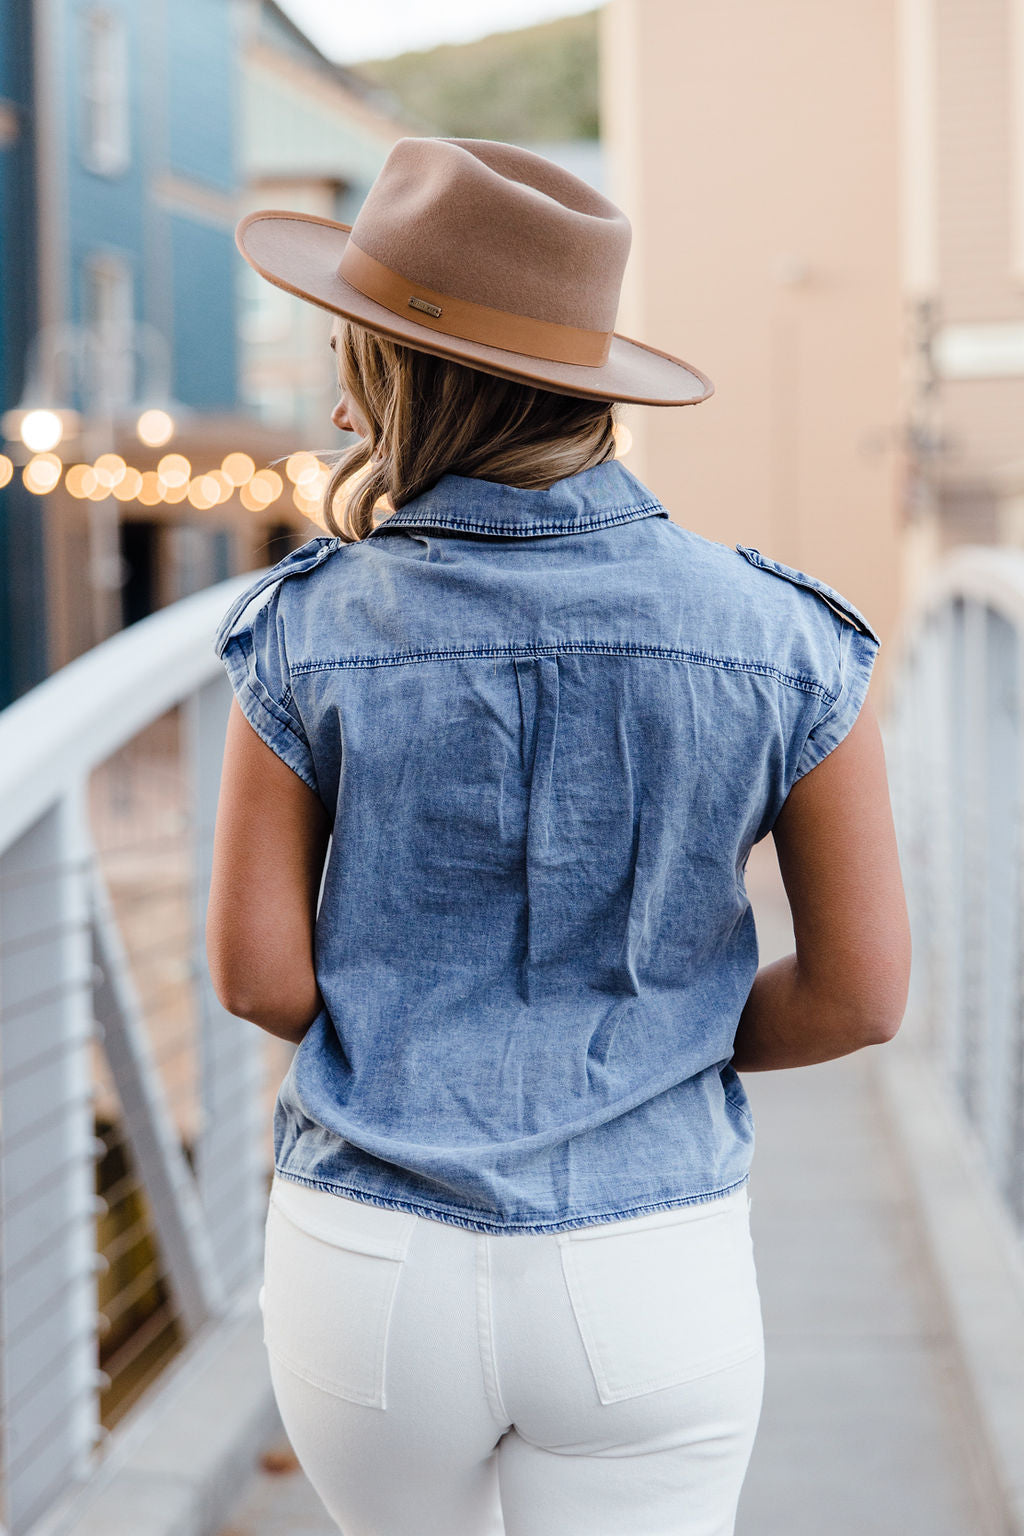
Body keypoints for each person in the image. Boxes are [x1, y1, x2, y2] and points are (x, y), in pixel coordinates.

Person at [205, 137, 911, 1536]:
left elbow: (259, 979)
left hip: (371, 1260)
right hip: (648, 1268)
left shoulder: (303, 627)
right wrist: (657, 1038)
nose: (340, 396)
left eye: (355, 357)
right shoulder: (785, 638)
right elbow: (862, 996)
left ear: (403, 378)